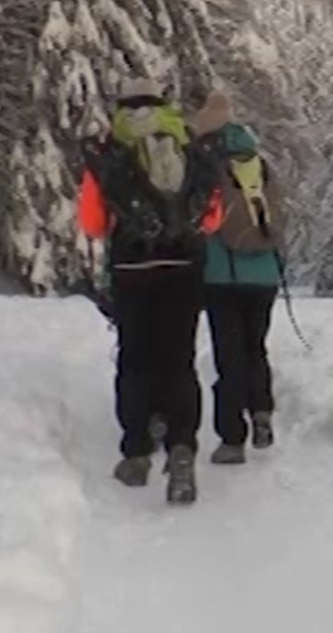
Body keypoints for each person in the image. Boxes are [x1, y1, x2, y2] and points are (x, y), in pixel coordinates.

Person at [77, 79, 224, 504]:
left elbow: (90, 222)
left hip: (132, 266)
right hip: (185, 265)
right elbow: (212, 218)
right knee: (179, 359)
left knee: (135, 357)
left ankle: (137, 451)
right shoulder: (187, 144)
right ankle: (182, 447)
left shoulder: (109, 152)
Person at [191, 91, 288, 465]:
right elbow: (280, 213)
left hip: (221, 276)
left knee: (229, 356)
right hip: (263, 275)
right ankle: (261, 410)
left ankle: (232, 438)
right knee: (255, 349)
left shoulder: (206, 167)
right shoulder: (259, 164)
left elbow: (198, 220)